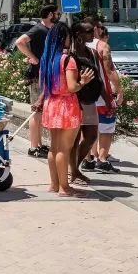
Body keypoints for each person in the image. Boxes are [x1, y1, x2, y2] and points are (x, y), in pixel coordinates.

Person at [37, 22, 95, 198]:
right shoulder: (67, 60)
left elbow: (45, 85)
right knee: (64, 148)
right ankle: (65, 187)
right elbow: (72, 87)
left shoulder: (46, 59)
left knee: (53, 148)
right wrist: (83, 82)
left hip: (51, 104)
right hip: (66, 106)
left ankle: (54, 184)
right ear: (65, 38)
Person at [16, 4, 60, 158]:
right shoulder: (38, 29)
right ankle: (34, 146)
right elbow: (20, 42)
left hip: (47, 74)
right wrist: (33, 58)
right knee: (36, 112)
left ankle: (39, 144)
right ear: (50, 15)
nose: (59, 15)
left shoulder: (51, 29)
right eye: (57, 13)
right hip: (38, 75)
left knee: (41, 112)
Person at [69, 22, 103, 187]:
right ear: (78, 34)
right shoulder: (70, 54)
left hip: (90, 100)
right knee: (74, 140)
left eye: (94, 30)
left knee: (91, 137)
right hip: (74, 100)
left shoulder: (92, 53)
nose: (93, 34)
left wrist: (109, 100)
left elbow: (99, 78)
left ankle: (75, 166)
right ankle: (73, 172)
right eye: (89, 31)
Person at [86, 24, 123, 172]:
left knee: (87, 128)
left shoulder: (77, 45)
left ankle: (87, 159)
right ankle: (102, 159)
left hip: (84, 95)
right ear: (96, 29)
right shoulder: (102, 46)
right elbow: (109, 70)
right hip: (102, 95)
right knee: (107, 128)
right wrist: (119, 89)